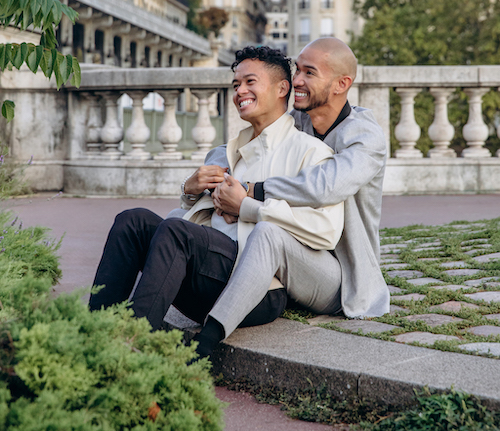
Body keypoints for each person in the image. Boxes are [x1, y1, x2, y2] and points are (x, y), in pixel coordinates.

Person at [90, 46, 345, 357]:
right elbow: (191, 218)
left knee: (175, 233)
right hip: (205, 274)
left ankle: (131, 344)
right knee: (133, 221)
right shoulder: (225, 152)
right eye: (236, 84)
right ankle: (96, 329)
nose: (240, 91)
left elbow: (325, 230)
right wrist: (190, 189)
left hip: (259, 290)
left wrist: (246, 208)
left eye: (250, 82)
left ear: (282, 89)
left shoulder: (310, 153)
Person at [209, 37, 389, 337]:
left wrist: (251, 192)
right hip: (294, 253)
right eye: (297, 70)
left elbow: (325, 186)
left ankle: (209, 339)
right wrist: (217, 182)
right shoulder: (299, 121)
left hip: (340, 273)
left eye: (309, 72)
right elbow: (249, 141)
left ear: (341, 84)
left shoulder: (365, 137)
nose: (297, 81)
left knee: (268, 232)